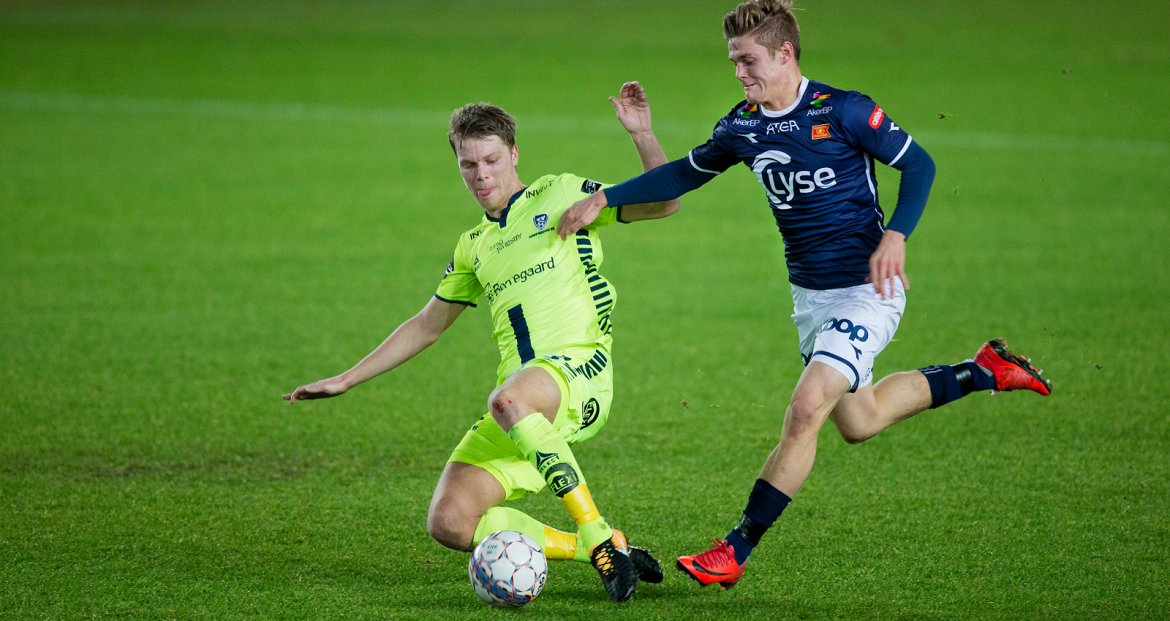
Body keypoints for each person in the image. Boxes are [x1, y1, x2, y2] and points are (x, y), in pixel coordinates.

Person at [557, 0, 1052, 589]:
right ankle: (983, 371)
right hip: (811, 300)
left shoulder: (844, 110)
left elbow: (919, 166)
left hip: (868, 291)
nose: (740, 73)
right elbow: (684, 175)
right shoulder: (742, 126)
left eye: (748, 61)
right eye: (734, 63)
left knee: (806, 407)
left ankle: (734, 549)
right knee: (859, 421)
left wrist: (895, 235)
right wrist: (607, 194)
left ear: (784, 53)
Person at [284, 82, 679, 602]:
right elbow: (427, 324)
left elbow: (665, 202)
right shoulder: (474, 246)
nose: (482, 175)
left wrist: (643, 135)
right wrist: (346, 378)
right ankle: (597, 549)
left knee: (508, 398)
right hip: (518, 401)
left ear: (514, 154)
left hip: (578, 373)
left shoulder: (560, 193)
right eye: (468, 165)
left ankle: (597, 535)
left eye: (491, 160)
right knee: (450, 521)